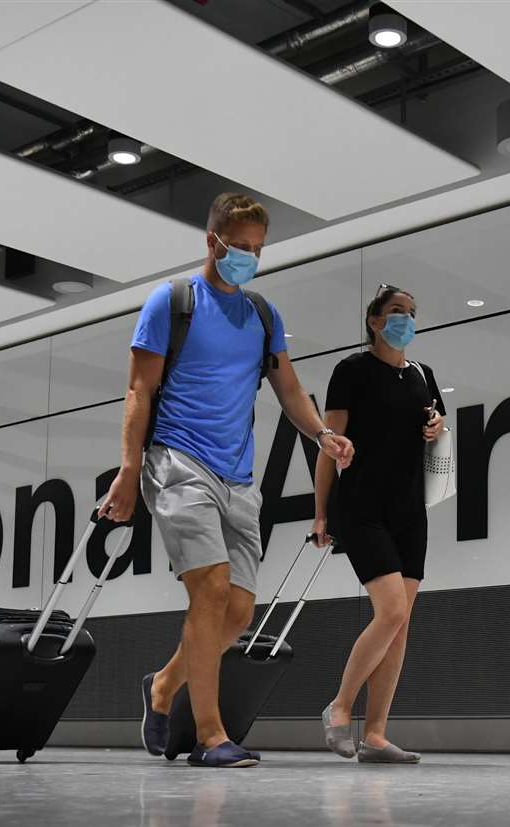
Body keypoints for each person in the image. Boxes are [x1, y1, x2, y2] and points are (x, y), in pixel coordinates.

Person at [99, 193, 353, 768]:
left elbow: (287, 387)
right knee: (210, 592)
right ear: (211, 239)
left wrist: (321, 434)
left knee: (238, 613)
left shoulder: (263, 315)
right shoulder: (173, 302)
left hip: (239, 478)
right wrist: (129, 469)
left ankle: (163, 687)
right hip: (178, 462)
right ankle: (210, 736)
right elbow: (139, 391)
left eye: (257, 250)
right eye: (239, 247)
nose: (248, 258)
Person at [312, 285, 445, 764]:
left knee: (401, 623)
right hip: (362, 506)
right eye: (395, 312)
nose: (404, 320)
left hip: (410, 511)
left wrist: (439, 429)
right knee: (390, 611)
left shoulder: (423, 375)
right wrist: (321, 510)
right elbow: (330, 443)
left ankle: (377, 735)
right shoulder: (351, 371)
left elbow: (436, 432)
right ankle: (340, 707)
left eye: (411, 312)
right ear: (374, 321)